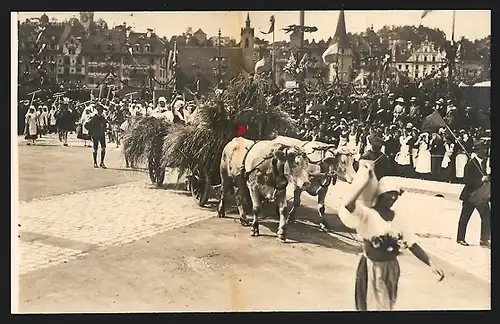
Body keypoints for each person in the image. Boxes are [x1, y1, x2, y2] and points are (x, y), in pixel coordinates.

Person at [338, 168, 444, 311]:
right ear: (381, 194)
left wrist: (431, 263)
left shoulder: (397, 217)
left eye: (395, 195)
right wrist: (364, 182)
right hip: (372, 267)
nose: (393, 198)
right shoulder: (368, 214)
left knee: (387, 306)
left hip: (392, 268)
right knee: (375, 307)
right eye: (390, 194)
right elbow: (349, 205)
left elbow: (412, 243)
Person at [456, 140, 491, 248]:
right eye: (483, 149)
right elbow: (467, 180)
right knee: (465, 217)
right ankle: (460, 238)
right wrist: (481, 179)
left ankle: (484, 240)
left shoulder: (484, 163)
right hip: (470, 195)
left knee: (487, 216)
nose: (485, 151)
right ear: (477, 151)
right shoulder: (471, 164)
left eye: (485, 149)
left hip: (481, 195)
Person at [85, 104, 108, 168]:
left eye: (101, 110)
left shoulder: (103, 118)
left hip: (102, 135)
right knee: (95, 149)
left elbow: (105, 125)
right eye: (99, 110)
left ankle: (102, 162)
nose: (100, 111)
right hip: (95, 135)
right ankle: (95, 162)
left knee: (103, 148)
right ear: (97, 110)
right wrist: (91, 131)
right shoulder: (93, 118)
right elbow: (86, 125)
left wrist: (105, 128)